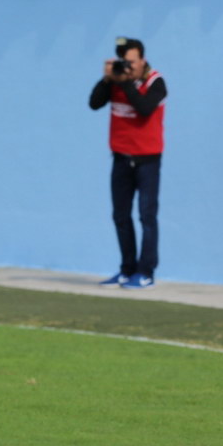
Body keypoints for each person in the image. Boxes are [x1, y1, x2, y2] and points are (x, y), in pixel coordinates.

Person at [89, 37, 166, 290]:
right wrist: (107, 79)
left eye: (131, 62)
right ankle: (127, 269)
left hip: (147, 161)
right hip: (121, 159)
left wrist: (128, 82)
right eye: (124, 62)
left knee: (147, 216)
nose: (128, 67)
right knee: (121, 216)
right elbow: (94, 104)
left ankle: (146, 272)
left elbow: (144, 108)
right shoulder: (116, 81)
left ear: (142, 59)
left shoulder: (156, 82)